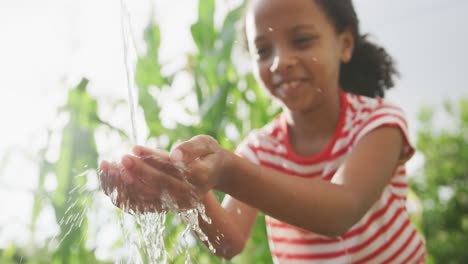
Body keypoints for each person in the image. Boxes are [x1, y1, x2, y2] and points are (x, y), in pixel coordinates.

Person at [99, 0, 427, 262]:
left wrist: (225, 170)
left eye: (301, 41)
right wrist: (184, 192)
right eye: (263, 50)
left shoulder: (378, 123)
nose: (280, 62)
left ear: (344, 45)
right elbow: (228, 242)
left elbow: (342, 210)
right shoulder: (261, 148)